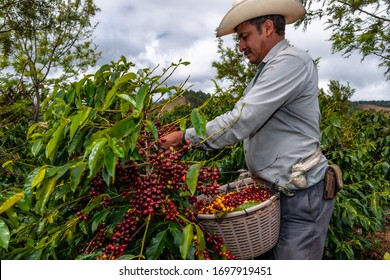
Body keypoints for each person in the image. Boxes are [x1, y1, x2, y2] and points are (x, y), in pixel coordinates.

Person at [159, 0, 335, 260]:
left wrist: (186, 137)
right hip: (277, 193)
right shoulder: (266, 70)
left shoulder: (290, 63)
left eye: (244, 36)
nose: (240, 46)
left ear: (266, 28)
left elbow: (241, 120)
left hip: (301, 196)